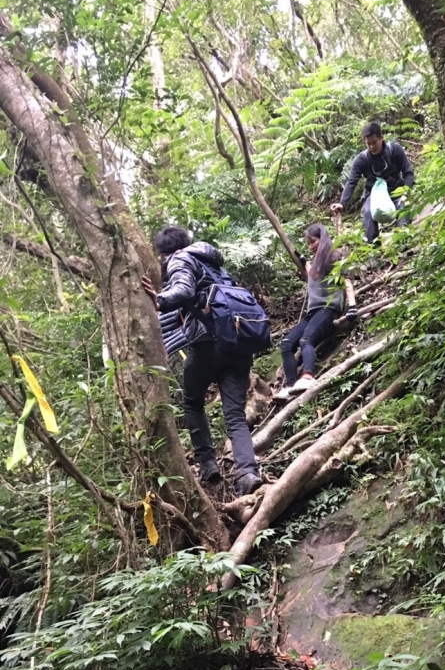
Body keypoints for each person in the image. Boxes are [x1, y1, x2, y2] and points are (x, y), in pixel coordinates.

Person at [143, 226, 261, 497]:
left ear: (163, 252)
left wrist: (159, 300)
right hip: (238, 341)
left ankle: (208, 464)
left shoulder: (180, 259)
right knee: (234, 415)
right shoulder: (211, 261)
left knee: (192, 402)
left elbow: (183, 291)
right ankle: (247, 473)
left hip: (208, 343)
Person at [274, 223, 356, 401]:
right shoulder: (318, 263)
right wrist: (304, 261)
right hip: (313, 312)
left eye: (313, 242)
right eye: (308, 243)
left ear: (323, 238)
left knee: (306, 340)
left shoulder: (334, 256)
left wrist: (352, 307)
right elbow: (313, 274)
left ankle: (308, 377)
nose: (311, 246)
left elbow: (347, 282)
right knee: (287, 344)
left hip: (328, 309)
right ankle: (291, 386)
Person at [331, 122, 415, 243]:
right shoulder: (362, 159)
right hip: (374, 195)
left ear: (381, 138)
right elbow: (352, 181)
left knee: (403, 208)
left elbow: (408, 173)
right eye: (368, 143)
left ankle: (405, 243)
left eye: (374, 142)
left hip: (396, 190)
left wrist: (405, 193)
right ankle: (373, 253)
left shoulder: (394, 150)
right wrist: (342, 203)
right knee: (369, 214)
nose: (371, 147)